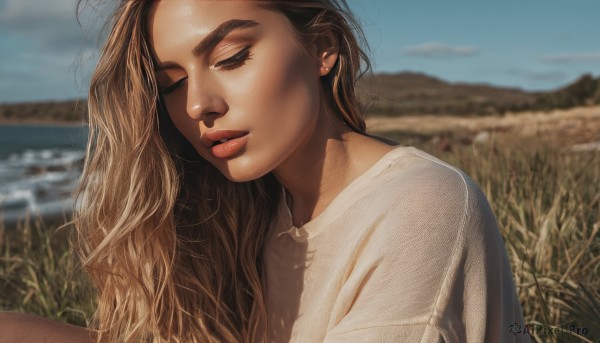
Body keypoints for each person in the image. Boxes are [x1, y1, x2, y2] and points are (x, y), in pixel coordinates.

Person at [0, 0, 529, 342]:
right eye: (172, 83)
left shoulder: (419, 206)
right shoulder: (256, 210)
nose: (197, 105)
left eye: (231, 57)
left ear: (323, 48)